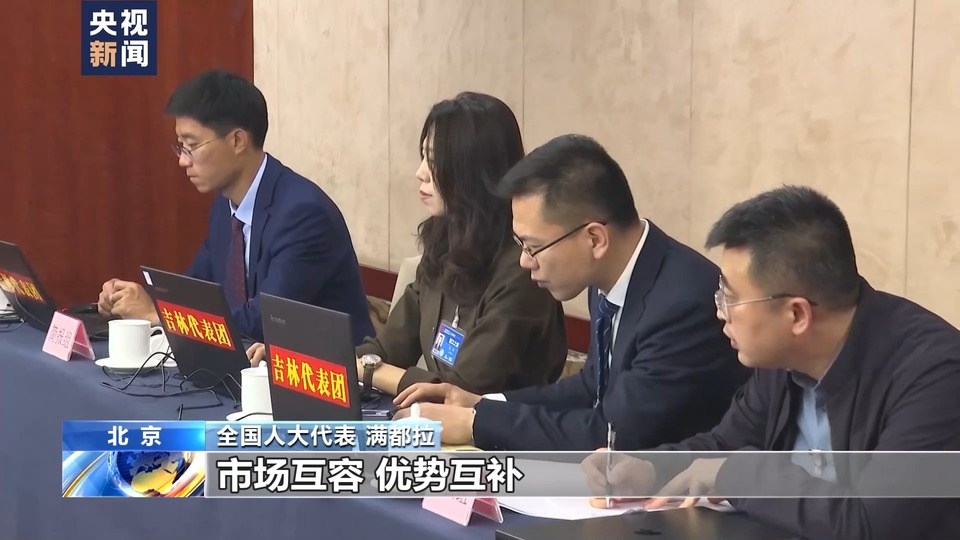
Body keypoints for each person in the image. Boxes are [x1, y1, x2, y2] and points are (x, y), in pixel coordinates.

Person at [581, 185, 960, 539]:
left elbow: (870, 523)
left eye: (730, 299)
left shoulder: (935, 375)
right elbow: (724, 446)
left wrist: (741, 475)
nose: (720, 313)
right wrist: (649, 470)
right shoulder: (781, 358)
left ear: (796, 315)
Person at [393, 134, 750, 450]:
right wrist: (481, 404)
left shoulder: (682, 304)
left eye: (533, 246)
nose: (524, 261)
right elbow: (591, 387)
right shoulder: (608, 276)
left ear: (594, 239)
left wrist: (476, 424)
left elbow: (611, 432)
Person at [249, 92, 568, 396]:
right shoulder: (445, 246)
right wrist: (299, 360)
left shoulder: (522, 270)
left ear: (474, 171)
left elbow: (458, 390)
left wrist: (369, 371)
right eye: (423, 157)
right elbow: (386, 349)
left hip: (493, 432)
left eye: (434, 160)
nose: (420, 173)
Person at [96, 69, 374, 344]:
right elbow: (196, 291)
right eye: (180, 146)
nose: (183, 161)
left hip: (329, 368)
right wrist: (135, 300)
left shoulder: (304, 215)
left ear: (237, 141)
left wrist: (158, 315)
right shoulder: (224, 207)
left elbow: (265, 321)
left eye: (191, 146)